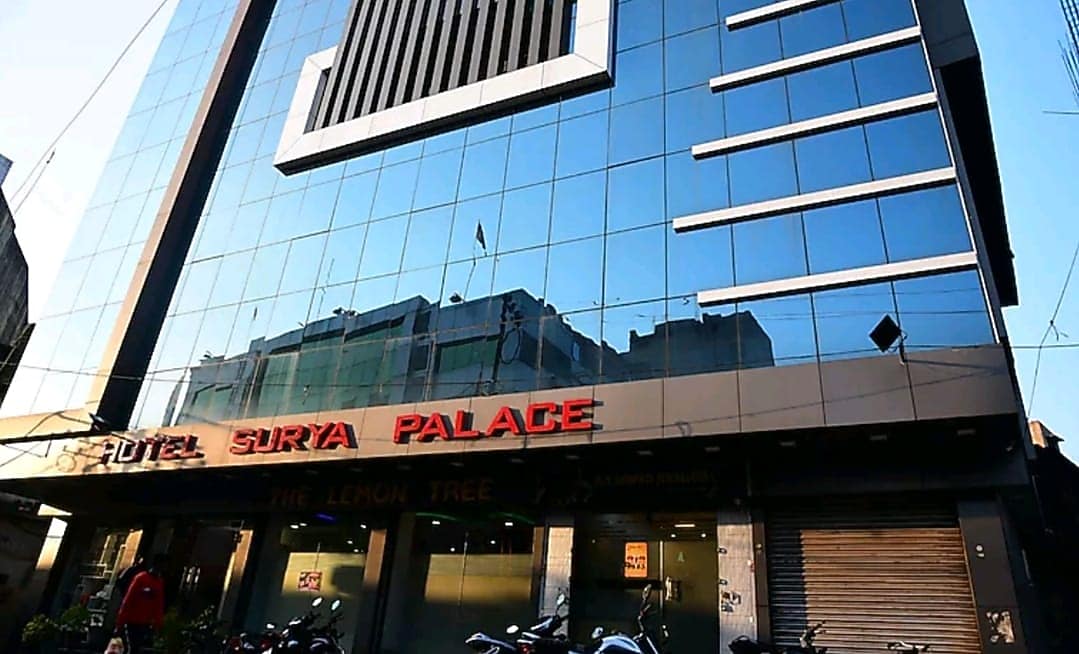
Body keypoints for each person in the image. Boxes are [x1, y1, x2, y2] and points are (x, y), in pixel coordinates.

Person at [115, 553, 166, 653]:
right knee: (132, 647)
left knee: (136, 648)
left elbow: (158, 605)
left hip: (145, 622)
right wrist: (120, 622)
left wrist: (158, 623)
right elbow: (128, 600)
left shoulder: (159, 583)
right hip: (132, 620)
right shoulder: (141, 578)